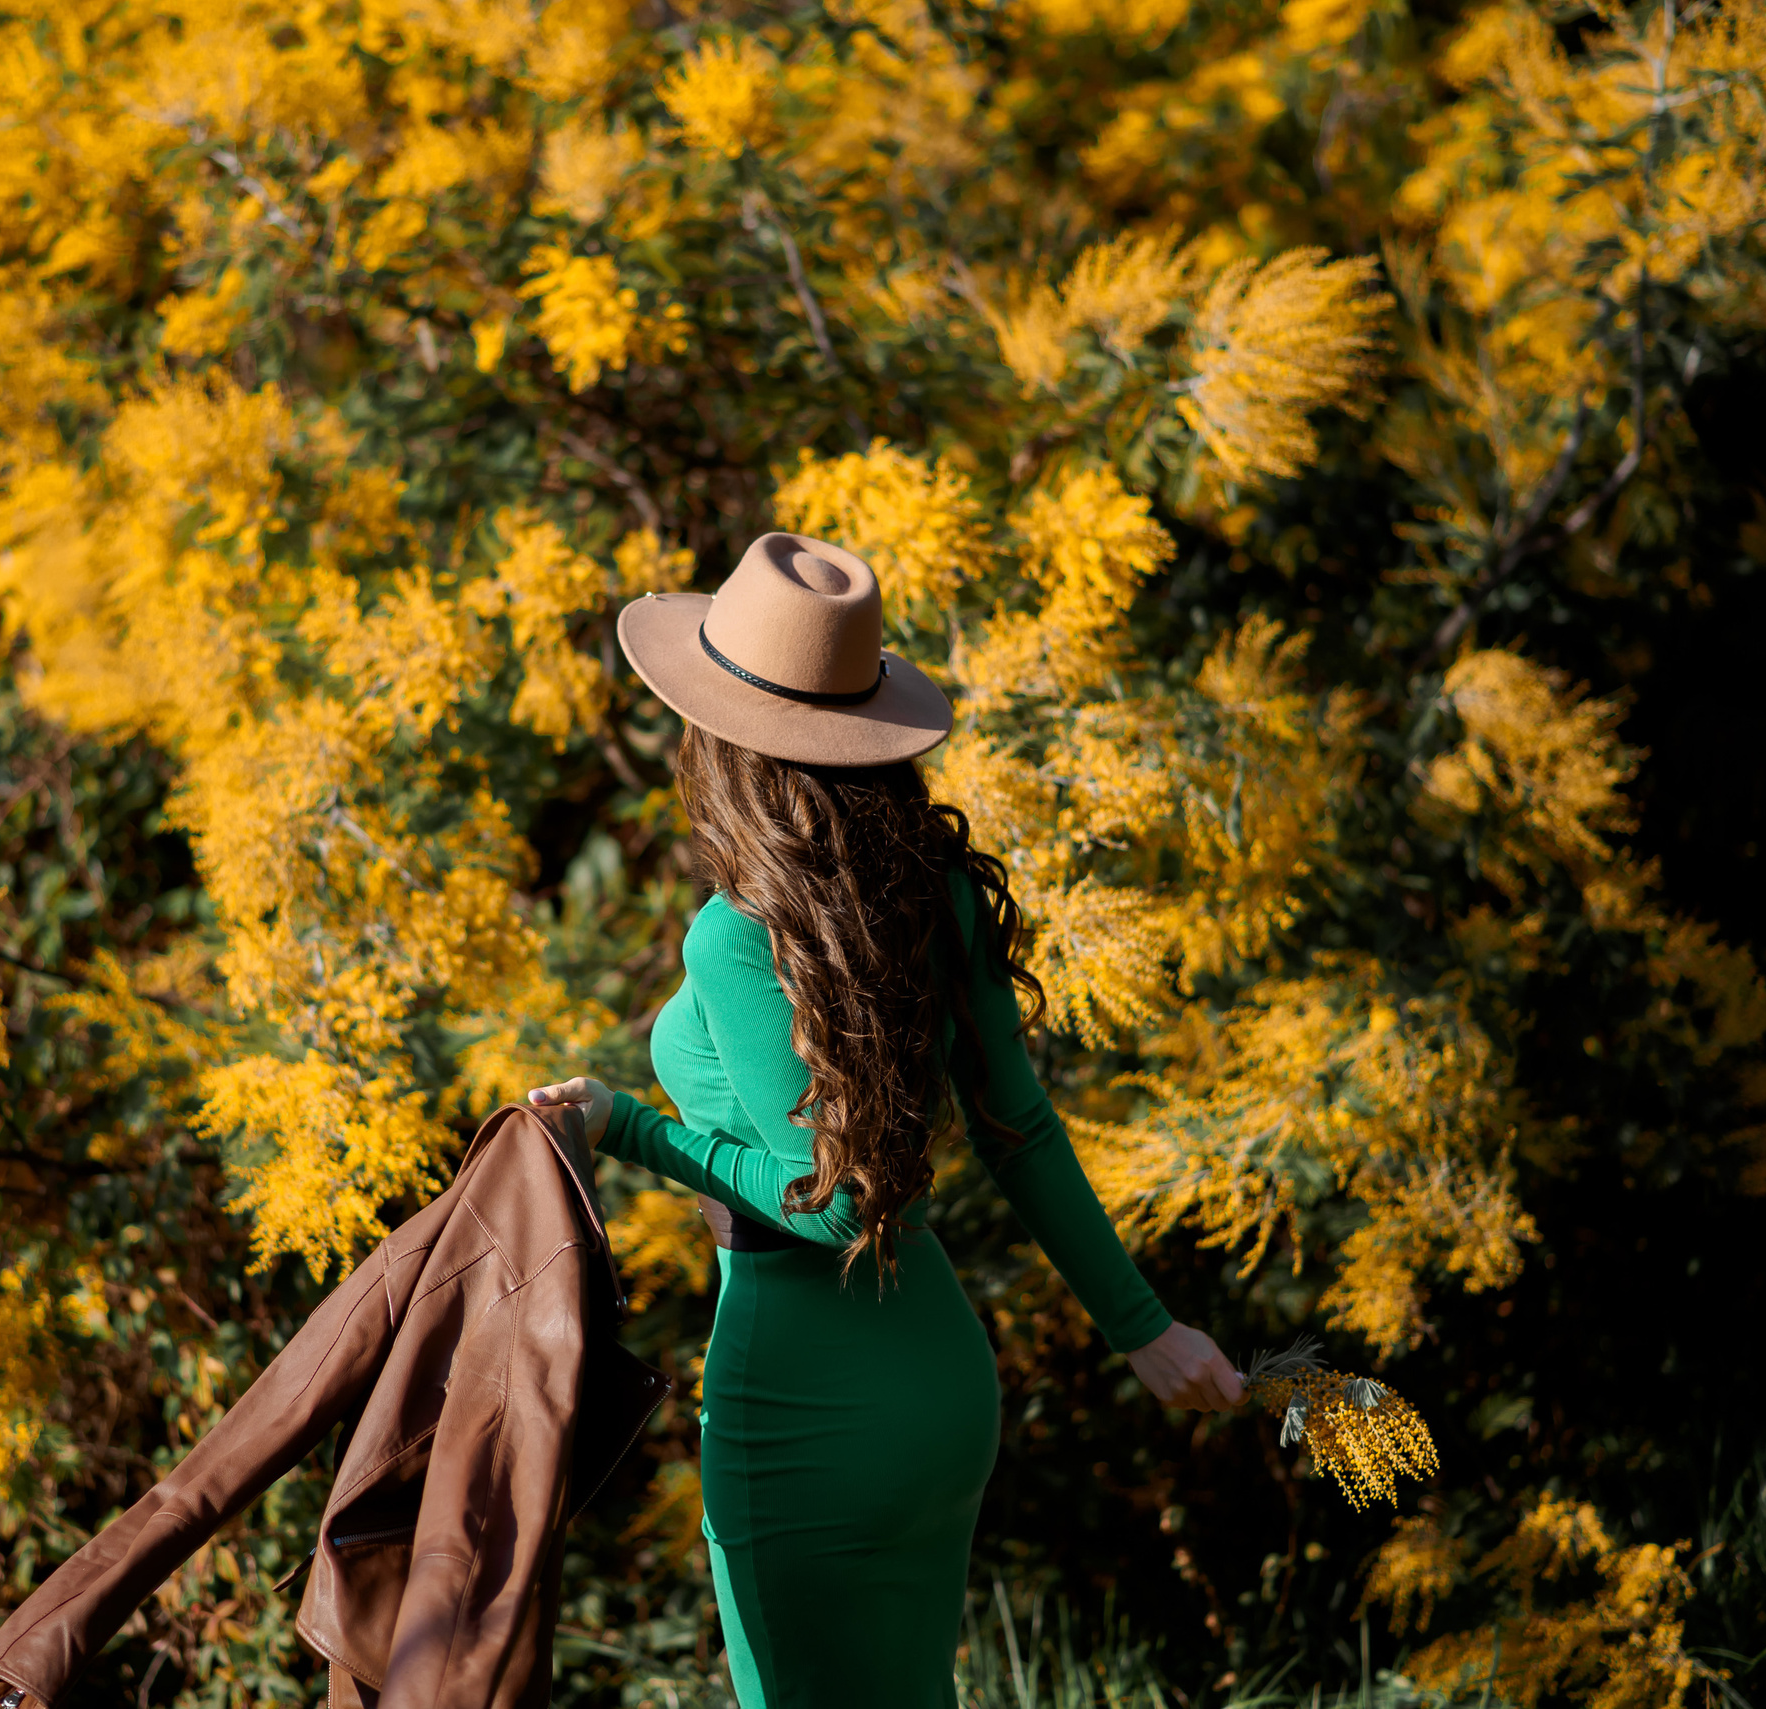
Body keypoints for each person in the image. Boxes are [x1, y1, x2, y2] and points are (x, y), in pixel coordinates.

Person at [525, 532, 1244, 1709]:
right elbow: (1019, 1127)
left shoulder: (735, 931)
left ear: (721, 737)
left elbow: (836, 1201)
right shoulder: (936, 890)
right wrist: (1142, 1326)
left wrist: (627, 1126)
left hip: (802, 1399)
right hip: (938, 1386)